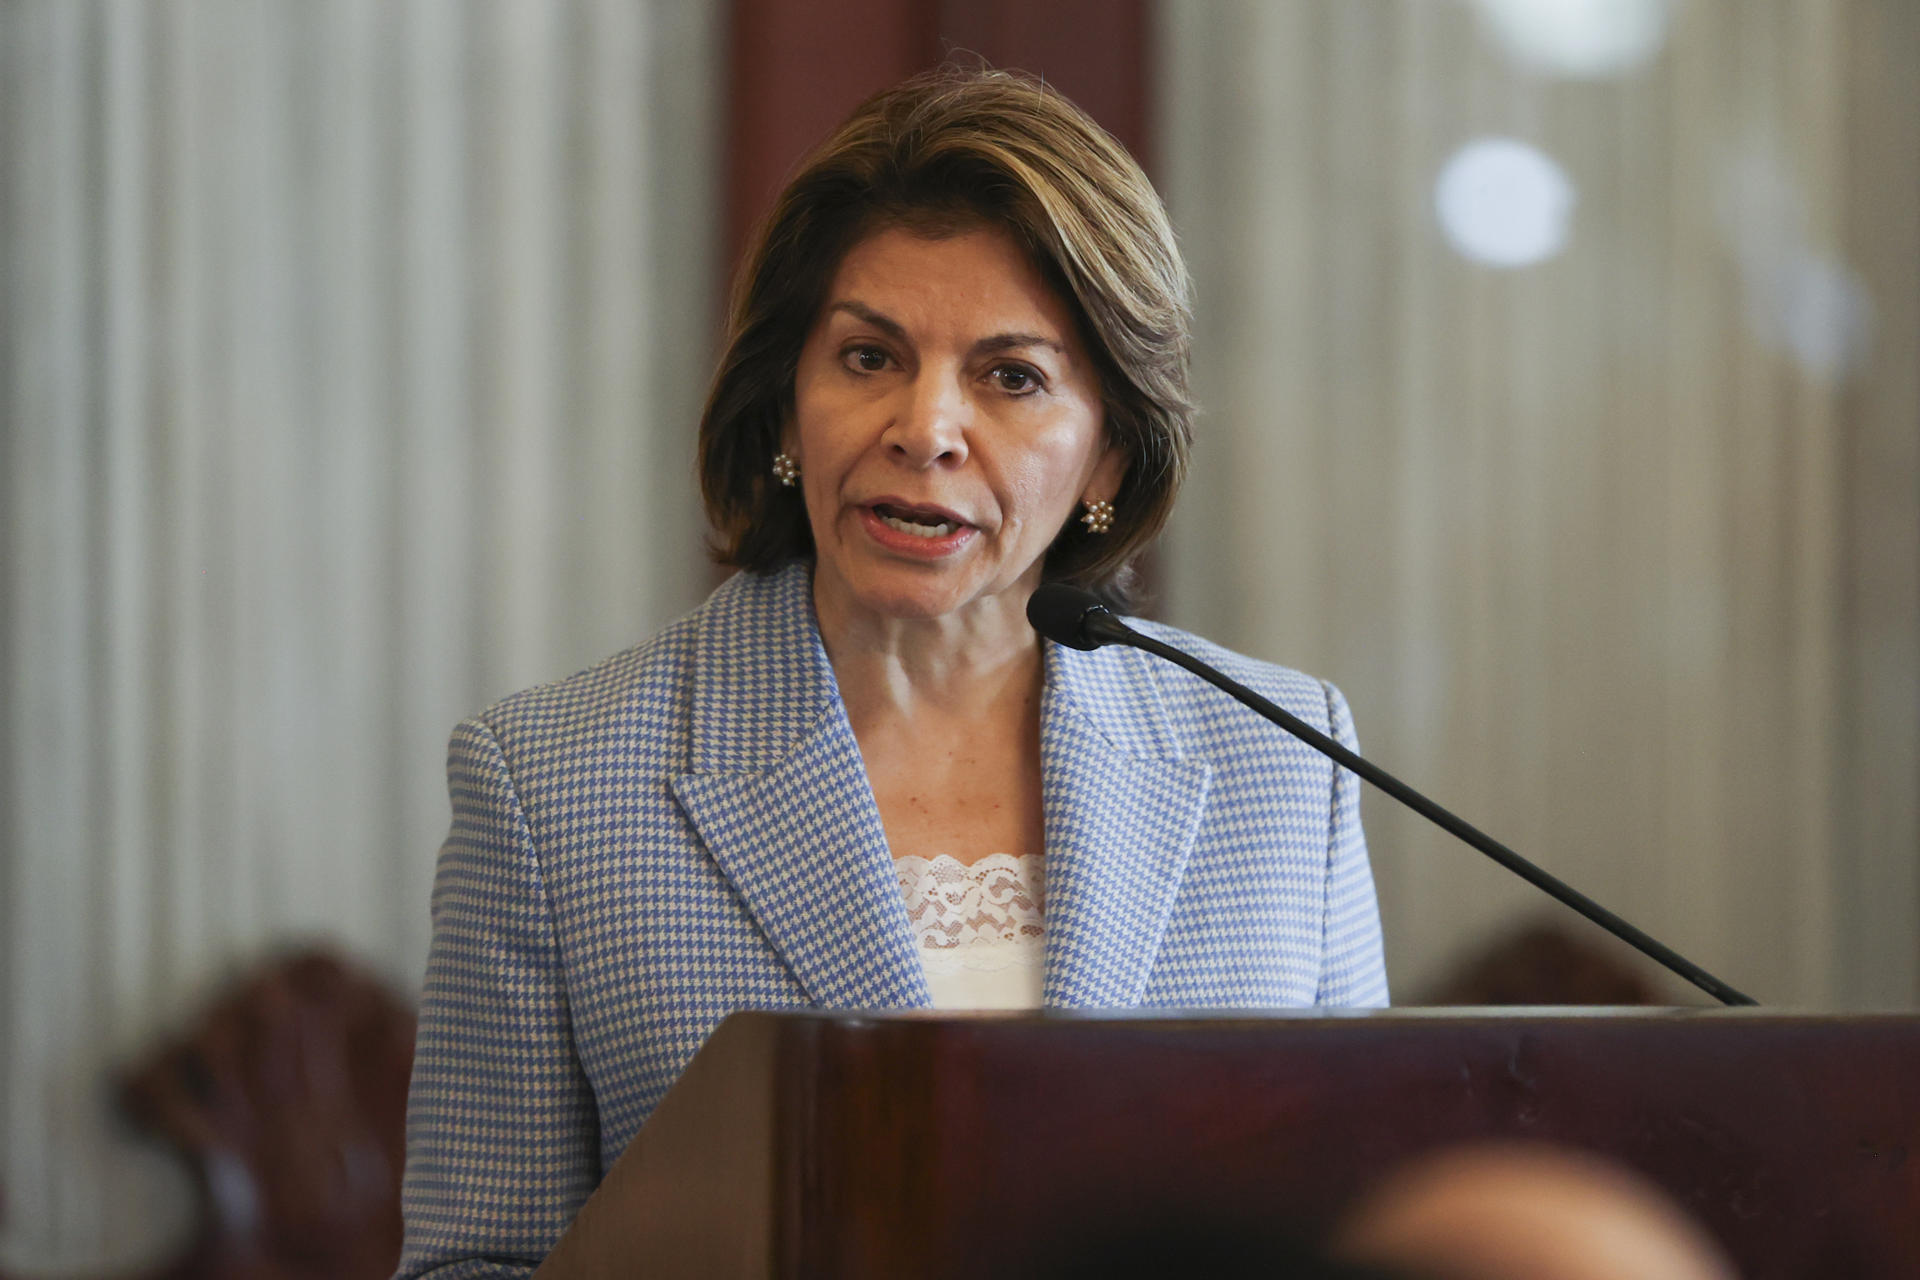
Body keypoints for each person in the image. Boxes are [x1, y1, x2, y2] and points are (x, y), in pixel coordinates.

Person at [397, 66, 1388, 1277]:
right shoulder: (554, 785)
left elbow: (1367, 1228)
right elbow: (474, 1263)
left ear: (1111, 456)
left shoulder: (1284, 756)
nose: (926, 427)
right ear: (783, 407)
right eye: (869, 357)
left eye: (1011, 376)